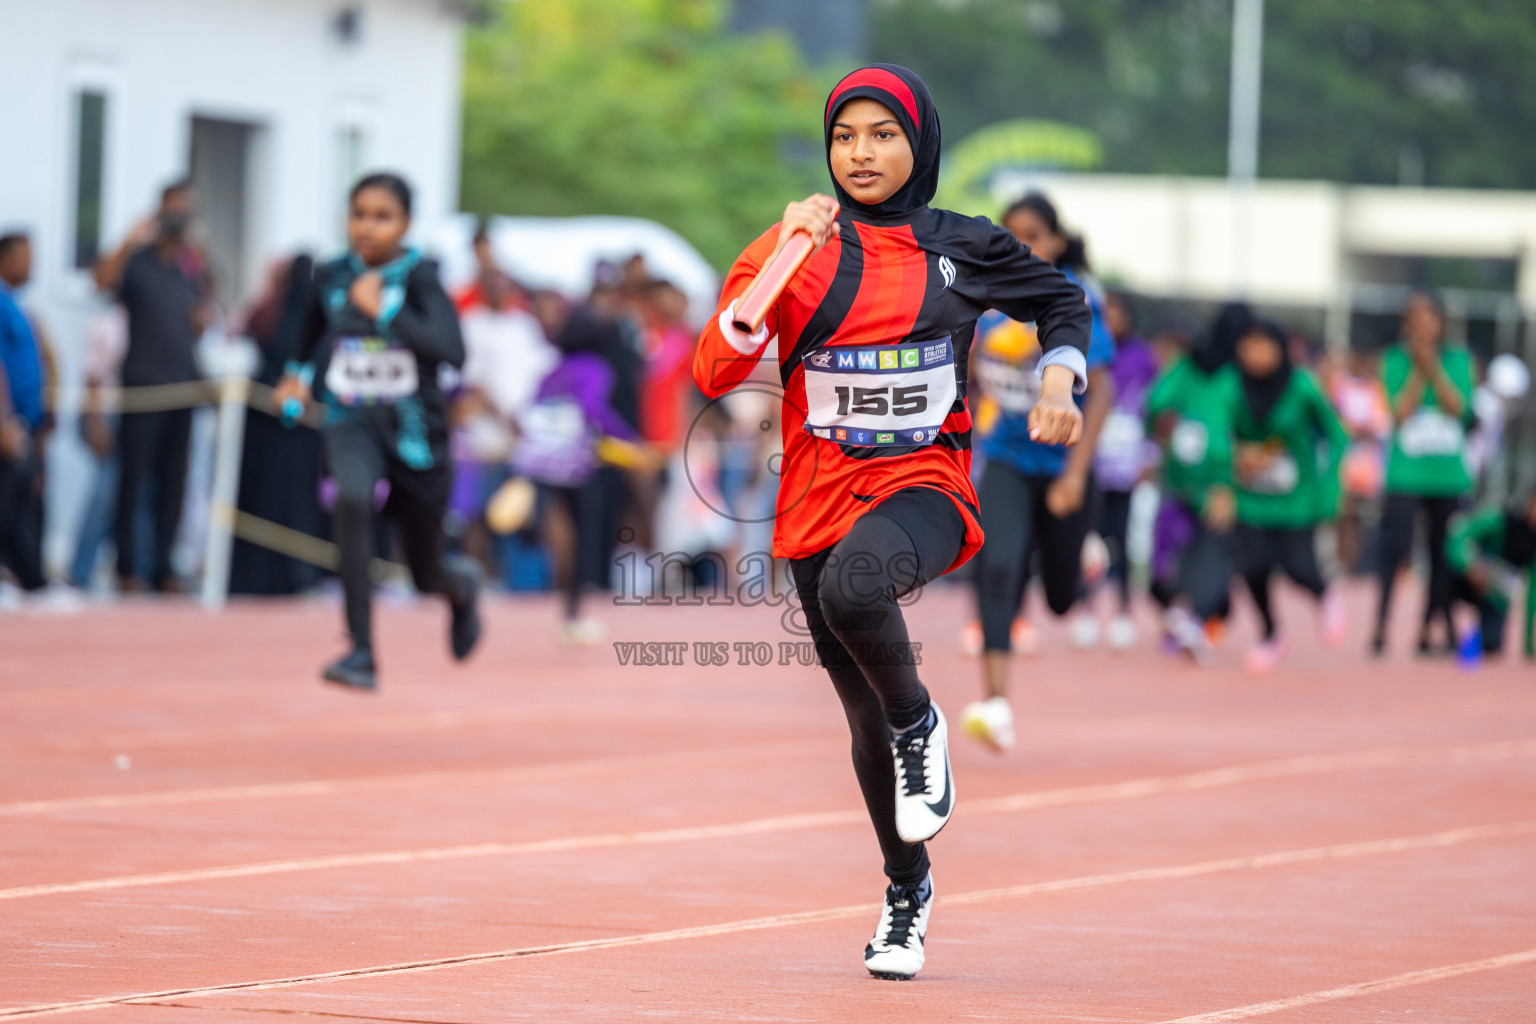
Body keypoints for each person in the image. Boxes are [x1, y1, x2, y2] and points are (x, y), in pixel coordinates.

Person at [692, 64, 1090, 981]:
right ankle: (905, 892)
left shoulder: (962, 245)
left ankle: (924, 726)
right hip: (816, 502)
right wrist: (785, 256)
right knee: (862, 719)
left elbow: (1062, 302)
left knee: (856, 592)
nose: (861, 153)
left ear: (920, 143)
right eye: (844, 136)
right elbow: (717, 369)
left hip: (928, 489)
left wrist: (1062, 374)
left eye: (882, 134)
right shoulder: (796, 244)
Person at [273, 173, 482, 690]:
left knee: (423, 573)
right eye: (359, 214)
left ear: (406, 224)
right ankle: (361, 652)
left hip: (416, 433)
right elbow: (308, 335)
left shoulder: (422, 277)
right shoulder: (331, 274)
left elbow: (452, 351)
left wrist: (384, 309)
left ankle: (460, 587)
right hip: (353, 420)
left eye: (382, 216)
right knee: (352, 498)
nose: (367, 226)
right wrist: (294, 379)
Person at [960, 192, 1114, 751]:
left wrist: (1075, 474)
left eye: (1033, 235)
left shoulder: (1074, 299)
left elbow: (1101, 396)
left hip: (1063, 467)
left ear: (1054, 242)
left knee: (1057, 598)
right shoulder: (984, 297)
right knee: (997, 567)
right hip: (1007, 457)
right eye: (1011, 233)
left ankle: (1084, 556)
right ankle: (996, 703)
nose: (1021, 244)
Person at [93, 180, 210, 593]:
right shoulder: (138, 262)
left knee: (174, 483)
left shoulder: (189, 267)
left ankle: (164, 565)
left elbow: (204, 316)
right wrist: (129, 236)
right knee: (132, 480)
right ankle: (127, 568)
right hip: (143, 388)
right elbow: (102, 282)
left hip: (184, 388)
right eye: (175, 209)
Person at [1218, 321, 1349, 672]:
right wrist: (1233, 459)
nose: (1257, 356)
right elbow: (1215, 430)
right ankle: (1271, 634)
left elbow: (1338, 435)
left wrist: (1329, 485)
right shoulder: (1231, 385)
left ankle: (1325, 594)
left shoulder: (1303, 385)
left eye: (1265, 347)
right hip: (1250, 499)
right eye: (1249, 347)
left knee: (1299, 568)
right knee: (1252, 568)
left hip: (1297, 501)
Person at [1372, 290, 1476, 657]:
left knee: (1442, 552)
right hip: (1406, 473)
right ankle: (1381, 624)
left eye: (1428, 318)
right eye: (1414, 319)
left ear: (1440, 322)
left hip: (1447, 474)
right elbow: (1398, 412)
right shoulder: (1394, 360)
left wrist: (1436, 369)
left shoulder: (1461, 360)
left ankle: (1435, 624)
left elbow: (1459, 409)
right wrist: (1419, 370)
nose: (1422, 326)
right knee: (1395, 547)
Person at [1144, 304, 1247, 659]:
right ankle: (1196, 617)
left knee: (1173, 552)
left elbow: (1156, 402)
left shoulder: (1187, 365)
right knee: (1212, 554)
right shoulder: (1237, 374)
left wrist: (1165, 435)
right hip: (1222, 480)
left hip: (1181, 472)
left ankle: (1190, 616)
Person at [1080, 287, 1159, 650]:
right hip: (1090, 461)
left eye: (1116, 312)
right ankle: (1086, 607)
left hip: (1127, 466)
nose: (1110, 320)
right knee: (1088, 540)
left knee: (1123, 539)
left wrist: (1151, 456)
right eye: (1103, 313)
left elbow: (1156, 411)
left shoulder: (1144, 358)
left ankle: (1125, 610)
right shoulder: (1086, 351)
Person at [0, 231, 48, 594]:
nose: (31, 262)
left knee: (25, 503)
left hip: (25, 423)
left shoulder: (17, 303)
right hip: (8, 424)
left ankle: (27, 577)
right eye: (23, 255)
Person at [1445, 487, 1536, 662]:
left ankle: (1475, 634)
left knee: (1492, 645)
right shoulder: (1500, 519)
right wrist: (1469, 566)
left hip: (1494, 592)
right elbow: (1458, 535)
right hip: (1462, 576)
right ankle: (1446, 633)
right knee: (1440, 585)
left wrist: (1529, 648)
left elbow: (1532, 595)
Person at [1328, 347, 1391, 574]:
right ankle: (1344, 560)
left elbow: (1382, 423)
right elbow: (1333, 419)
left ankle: (1363, 562)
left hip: (1369, 463)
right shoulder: (1340, 387)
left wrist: (1365, 429)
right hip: (1346, 461)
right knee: (1344, 514)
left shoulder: (1376, 389)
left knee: (1368, 517)